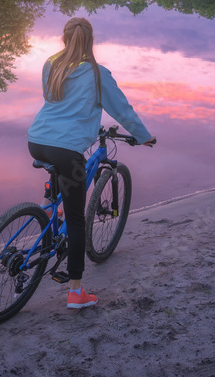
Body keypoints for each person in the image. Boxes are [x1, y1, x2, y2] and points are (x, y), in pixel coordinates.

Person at [27, 17, 155, 310]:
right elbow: (122, 110)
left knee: (63, 175)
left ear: (64, 39)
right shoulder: (98, 74)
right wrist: (143, 137)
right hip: (67, 146)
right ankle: (75, 293)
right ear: (90, 41)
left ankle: (52, 204)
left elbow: (53, 99)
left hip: (36, 139)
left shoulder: (50, 64)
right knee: (76, 221)